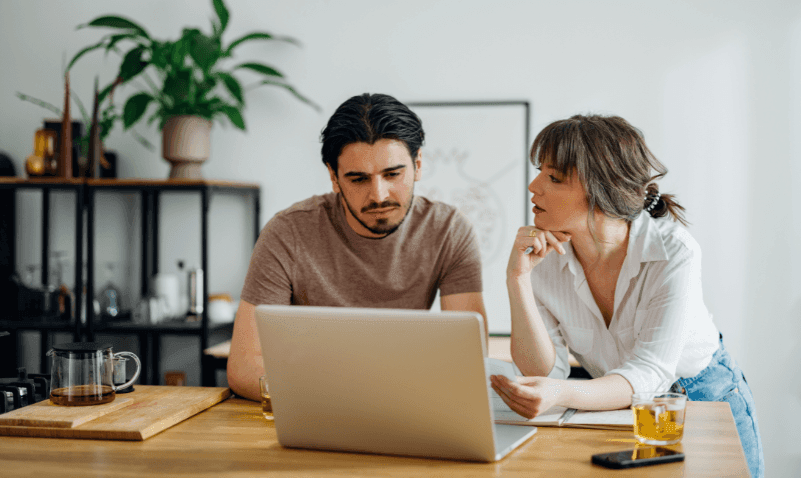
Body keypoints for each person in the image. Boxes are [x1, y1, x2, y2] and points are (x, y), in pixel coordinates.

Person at [489, 115, 764, 477]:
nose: (533, 185)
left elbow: (650, 371)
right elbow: (542, 370)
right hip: (619, 404)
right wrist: (517, 278)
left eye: (553, 178)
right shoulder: (544, 258)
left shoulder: (673, 251)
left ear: (602, 189)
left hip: (700, 398)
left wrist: (561, 393)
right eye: (540, 172)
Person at [228, 93, 487, 401]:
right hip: (315, 403)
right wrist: (343, 395)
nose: (379, 195)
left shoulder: (449, 231)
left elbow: (469, 360)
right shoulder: (288, 232)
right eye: (358, 179)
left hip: (401, 401)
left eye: (393, 174)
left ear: (418, 165)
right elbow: (244, 366)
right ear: (333, 177)